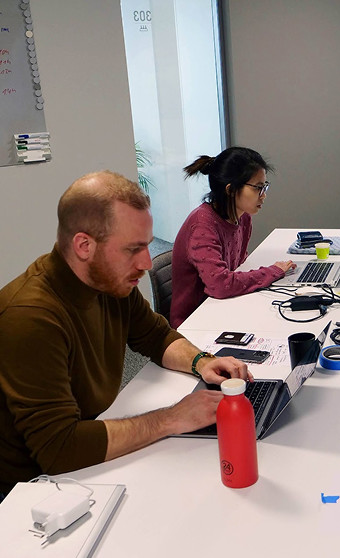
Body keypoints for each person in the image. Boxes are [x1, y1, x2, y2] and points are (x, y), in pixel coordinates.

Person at [0, 171, 253, 496]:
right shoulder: (31, 318)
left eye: (146, 246)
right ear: (84, 246)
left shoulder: (107, 281)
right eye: (133, 249)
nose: (146, 263)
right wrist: (171, 418)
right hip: (31, 492)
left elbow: (156, 336)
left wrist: (201, 362)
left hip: (81, 454)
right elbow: (59, 449)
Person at [170, 147, 296, 328]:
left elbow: (238, 267)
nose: (263, 195)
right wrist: (273, 271)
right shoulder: (202, 225)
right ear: (230, 189)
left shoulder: (243, 217)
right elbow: (220, 284)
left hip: (223, 307)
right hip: (194, 324)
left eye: (264, 187)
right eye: (258, 188)